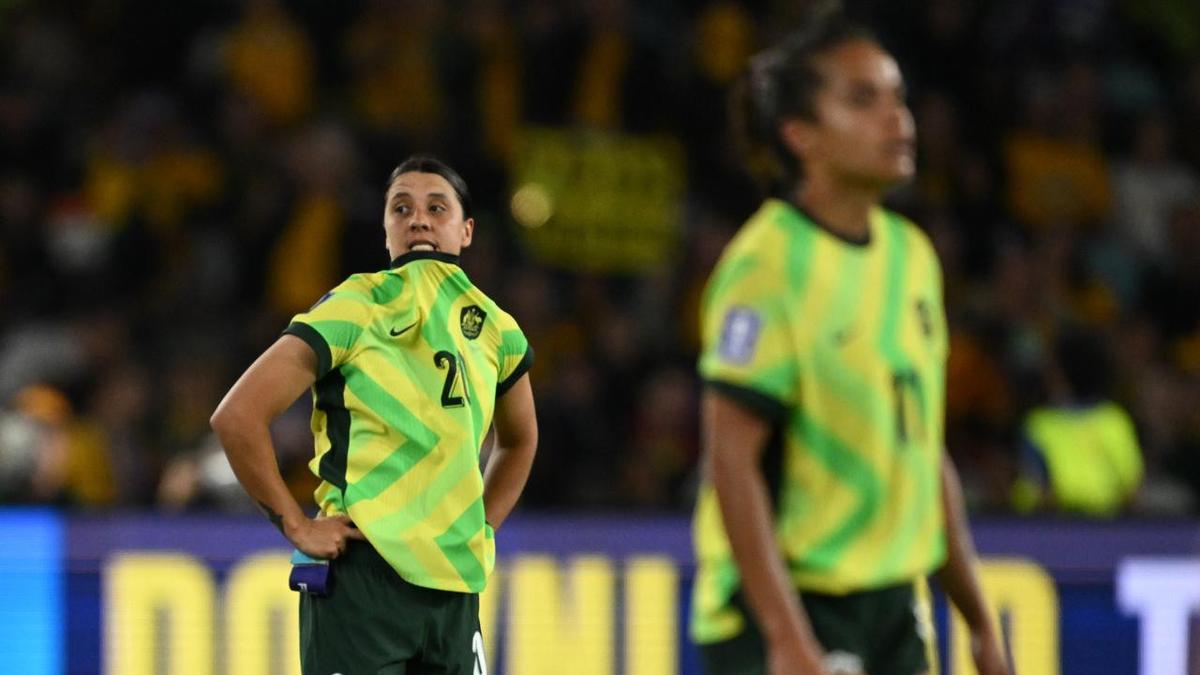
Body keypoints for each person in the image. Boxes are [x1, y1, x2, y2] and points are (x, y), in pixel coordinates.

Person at [689, 15, 1008, 675]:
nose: (898, 119)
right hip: (789, 606)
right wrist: (786, 639)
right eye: (864, 100)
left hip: (892, 605)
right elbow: (731, 461)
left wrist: (979, 620)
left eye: (898, 97)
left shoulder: (912, 256)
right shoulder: (767, 265)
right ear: (799, 135)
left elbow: (921, 449)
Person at [211, 155, 538, 674]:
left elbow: (519, 441)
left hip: (454, 589)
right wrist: (295, 525)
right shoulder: (356, 306)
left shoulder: (499, 329)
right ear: (386, 231)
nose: (418, 219)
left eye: (437, 207)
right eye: (401, 208)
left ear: (467, 230)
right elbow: (237, 416)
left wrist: (482, 527)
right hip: (361, 580)